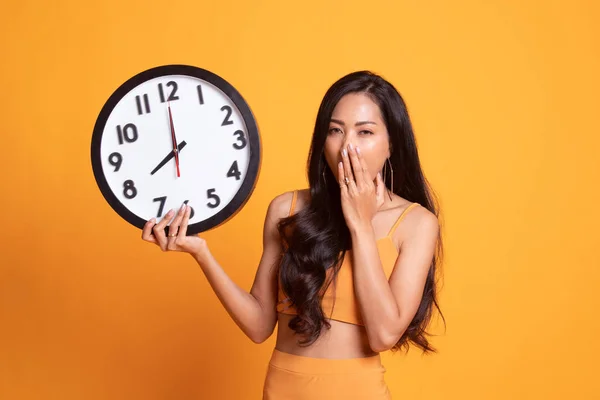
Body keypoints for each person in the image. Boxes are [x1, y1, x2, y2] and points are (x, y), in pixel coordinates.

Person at [141, 70, 444, 399]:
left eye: (365, 132)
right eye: (335, 131)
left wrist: (361, 224)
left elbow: (384, 335)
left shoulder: (416, 223)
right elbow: (259, 325)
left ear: (391, 145)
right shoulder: (287, 209)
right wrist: (201, 253)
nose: (347, 147)